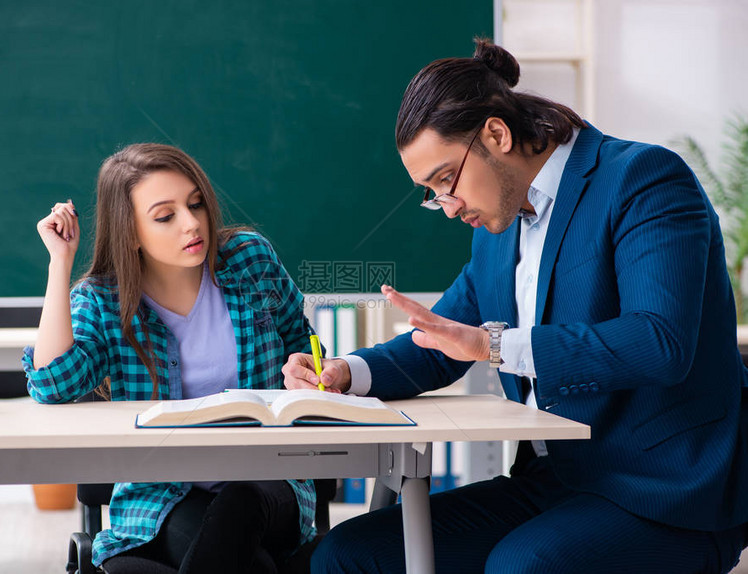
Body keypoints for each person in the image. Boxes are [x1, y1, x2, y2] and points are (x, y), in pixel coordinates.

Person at [283, 39, 748, 573]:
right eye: (432, 193)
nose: (447, 206)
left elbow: (660, 343)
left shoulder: (643, 180)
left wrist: (493, 345)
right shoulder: (498, 225)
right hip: (554, 481)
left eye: (444, 181)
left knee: (520, 566)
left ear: (497, 135)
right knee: (348, 553)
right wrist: (344, 373)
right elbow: (442, 339)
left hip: (665, 491)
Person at [23, 143, 317, 574]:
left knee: (240, 506)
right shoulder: (104, 300)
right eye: (166, 216)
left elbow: (303, 342)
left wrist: (304, 369)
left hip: (269, 479)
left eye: (196, 204)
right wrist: (59, 263)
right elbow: (52, 385)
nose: (192, 223)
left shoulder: (249, 260)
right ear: (130, 233)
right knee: (250, 565)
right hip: (166, 494)